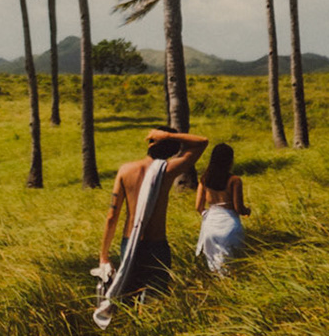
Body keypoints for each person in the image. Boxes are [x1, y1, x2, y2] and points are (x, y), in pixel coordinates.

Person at [94, 128, 208, 325]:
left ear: (150, 145)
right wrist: (170, 136)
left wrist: (104, 256)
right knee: (155, 303)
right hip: (157, 246)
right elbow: (202, 142)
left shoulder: (125, 171)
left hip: (130, 244)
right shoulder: (167, 171)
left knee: (126, 300)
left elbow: (112, 216)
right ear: (171, 151)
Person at [192, 143, 249, 274]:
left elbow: (198, 207)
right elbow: (238, 207)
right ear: (230, 159)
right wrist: (247, 211)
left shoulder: (204, 179)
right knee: (235, 267)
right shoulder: (235, 180)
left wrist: (207, 215)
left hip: (210, 226)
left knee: (215, 267)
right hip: (230, 225)